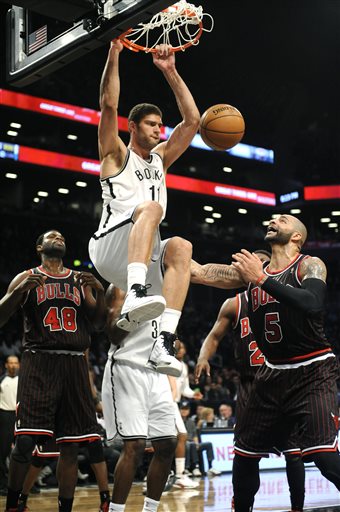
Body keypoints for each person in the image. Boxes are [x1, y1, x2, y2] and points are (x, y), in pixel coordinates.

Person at [89, 39, 200, 377]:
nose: (159, 129)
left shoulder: (161, 159)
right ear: (133, 127)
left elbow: (192, 121)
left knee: (181, 246)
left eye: (160, 125)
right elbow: (108, 104)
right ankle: (135, 292)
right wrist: (114, 51)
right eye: (152, 124)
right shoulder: (115, 154)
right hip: (109, 247)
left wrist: (170, 71)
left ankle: (164, 342)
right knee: (151, 208)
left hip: (143, 255)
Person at [226, 214, 340, 512]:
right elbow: (201, 272)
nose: (273, 219)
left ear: (296, 237)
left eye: (283, 219)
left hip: (313, 369)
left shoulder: (309, 264)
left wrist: (262, 279)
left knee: (324, 458)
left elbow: (313, 303)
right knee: (244, 456)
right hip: (272, 372)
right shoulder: (252, 272)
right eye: (273, 218)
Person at [0, 229, 109, 512]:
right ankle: (13, 505)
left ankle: (66, 508)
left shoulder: (78, 280)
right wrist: (17, 292)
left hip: (74, 363)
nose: (59, 237)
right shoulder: (26, 277)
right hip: (40, 361)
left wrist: (100, 290)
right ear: (40, 247)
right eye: (52, 236)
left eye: (62, 236)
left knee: (71, 445)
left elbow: (98, 324)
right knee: (25, 441)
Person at [195, 246, 305, 512]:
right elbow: (214, 336)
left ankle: (297, 507)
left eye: (265, 264)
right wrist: (202, 357)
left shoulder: (285, 297)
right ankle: (242, 504)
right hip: (251, 385)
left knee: (294, 452)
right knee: (246, 456)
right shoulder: (234, 302)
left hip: (283, 382)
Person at [103, 284, 178, 512]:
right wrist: (133, 317)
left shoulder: (166, 285)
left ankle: (150, 509)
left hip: (156, 371)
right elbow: (112, 333)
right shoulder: (118, 286)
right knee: (134, 446)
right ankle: (116, 510)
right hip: (128, 366)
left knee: (167, 444)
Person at [0, 355, 20, 496]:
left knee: (25, 451)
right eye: (10, 363)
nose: (13, 365)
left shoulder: (24, 380)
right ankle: (2, 485)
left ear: (19, 365)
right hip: (5, 416)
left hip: (21, 416)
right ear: (6, 365)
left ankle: (25, 486)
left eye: (15, 363)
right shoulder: (1, 380)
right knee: (3, 452)